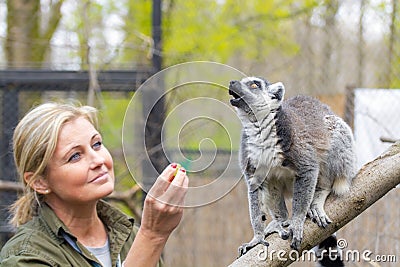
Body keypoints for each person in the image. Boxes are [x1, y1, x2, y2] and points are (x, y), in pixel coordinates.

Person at [0, 102, 188, 267]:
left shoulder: (128, 236)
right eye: (75, 156)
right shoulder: (26, 257)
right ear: (39, 182)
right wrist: (152, 236)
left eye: (96, 144)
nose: (97, 160)